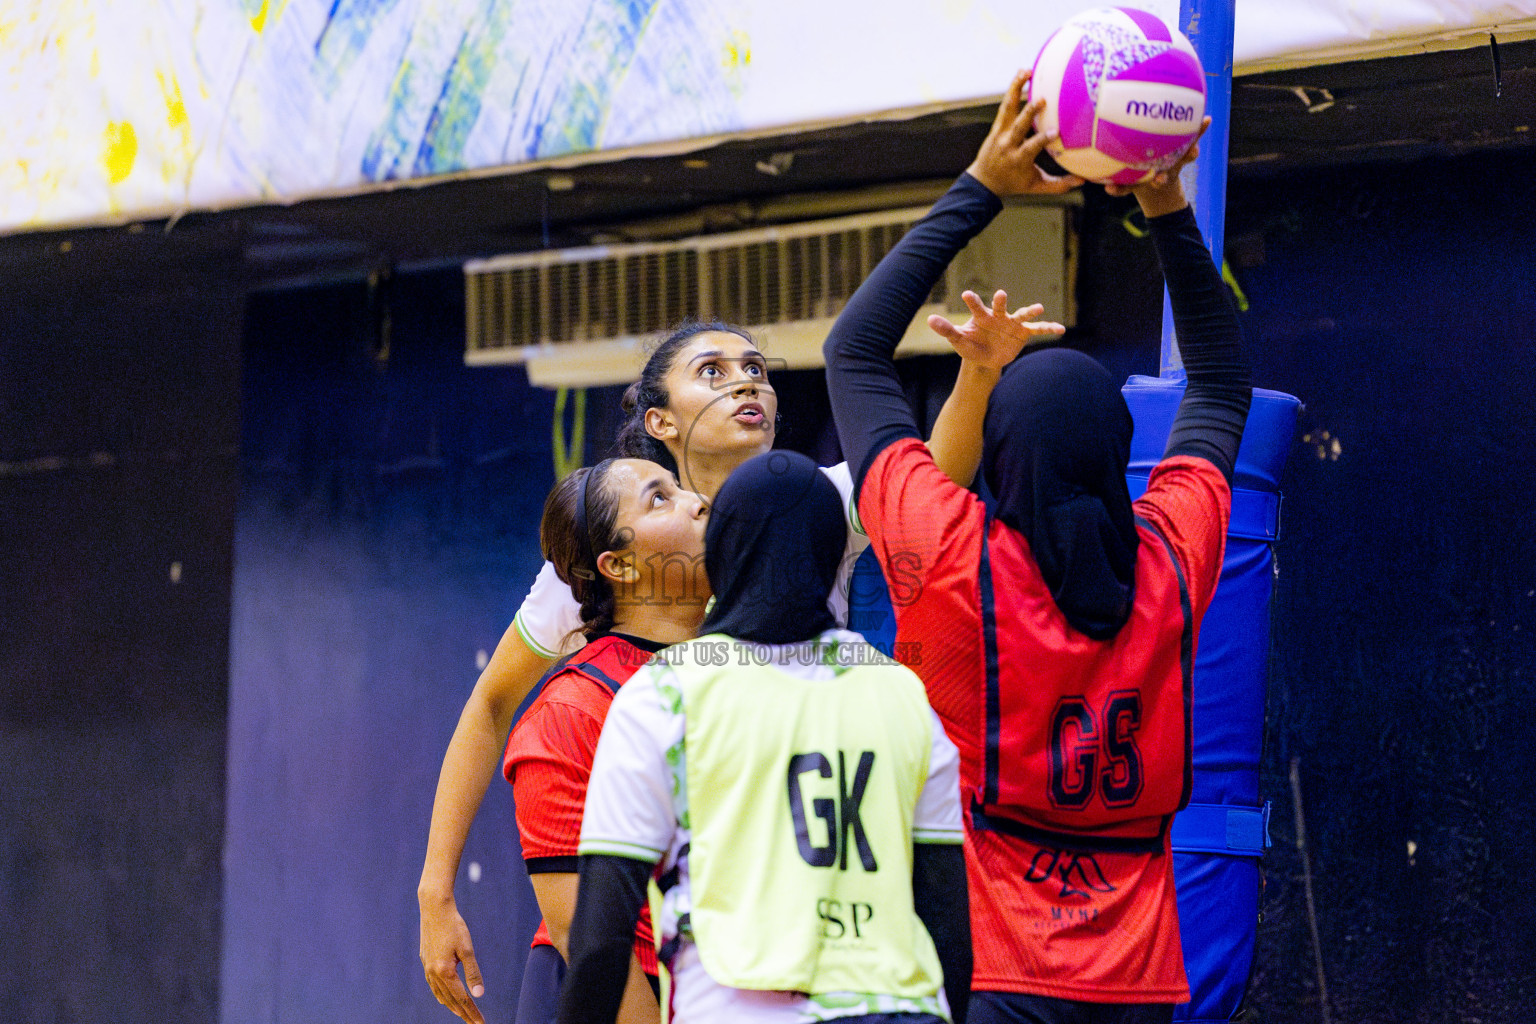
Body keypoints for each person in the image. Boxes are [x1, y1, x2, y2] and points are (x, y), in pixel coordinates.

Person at [419, 73, 1077, 1019]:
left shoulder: (818, 507)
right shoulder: (619, 558)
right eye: (713, 372)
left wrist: (976, 375)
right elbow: (489, 707)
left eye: (758, 370)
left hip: (775, 918)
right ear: (660, 423)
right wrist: (437, 887)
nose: (746, 384)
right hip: (621, 925)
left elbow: (933, 469)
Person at [823, 68, 1251, 1024]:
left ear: (1002, 456)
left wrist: (983, 185)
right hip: (1140, 984)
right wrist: (1168, 202)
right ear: (1120, 454)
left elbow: (854, 352)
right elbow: (1219, 385)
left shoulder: (951, 552)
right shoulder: (1171, 563)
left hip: (992, 973)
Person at [556, 451, 971, 1024]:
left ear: (724, 552)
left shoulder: (666, 694)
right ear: (836, 558)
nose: (694, 502)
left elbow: (600, 944)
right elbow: (948, 924)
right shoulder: (902, 694)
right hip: (902, 1007)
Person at [494, 458, 710, 1024]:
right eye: (659, 499)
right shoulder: (571, 710)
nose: (698, 502)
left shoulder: (745, 666)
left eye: (682, 488)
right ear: (619, 566)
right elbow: (575, 931)